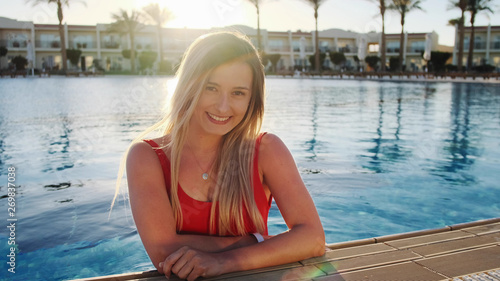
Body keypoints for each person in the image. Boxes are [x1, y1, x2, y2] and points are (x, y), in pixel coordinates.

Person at [113, 31, 325, 281]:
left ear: (251, 99)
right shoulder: (147, 157)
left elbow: (313, 239)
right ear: (189, 86)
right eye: (210, 88)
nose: (223, 107)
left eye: (238, 93)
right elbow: (163, 252)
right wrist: (256, 240)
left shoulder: (267, 150)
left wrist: (223, 262)